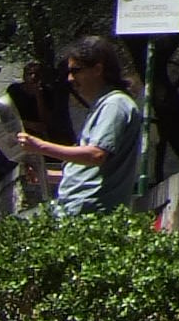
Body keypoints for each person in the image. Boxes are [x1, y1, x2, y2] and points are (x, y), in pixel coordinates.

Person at [22, 37, 143, 214]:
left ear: (98, 69)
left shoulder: (115, 104)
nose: (70, 78)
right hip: (75, 211)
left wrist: (39, 146)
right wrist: (46, 176)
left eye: (76, 71)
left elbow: (96, 155)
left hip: (89, 215)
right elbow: (89, 171)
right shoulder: (101, 106)